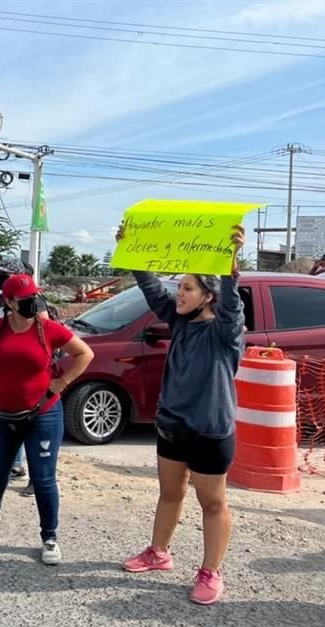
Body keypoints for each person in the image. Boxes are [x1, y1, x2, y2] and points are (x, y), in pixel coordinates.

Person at [120, 224, 246, 606]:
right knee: (170, 493)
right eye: (180, 287)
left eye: (188, 288)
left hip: (210, 429)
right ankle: (159, 552)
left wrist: (229, 264)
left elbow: (232, 305)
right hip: (172, 424)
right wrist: (132, 250)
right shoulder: (179, 321)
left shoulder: (225, 332)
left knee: (212, 503)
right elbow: (152, 290)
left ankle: (210, 571)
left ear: (209, 296)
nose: (179, 293)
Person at [0, 272, 94, 566]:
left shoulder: (49, 329)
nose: (33, 302)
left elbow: (85, 354)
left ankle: (50, 537)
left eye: (35, 297)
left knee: (43, 478)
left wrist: (62, 383)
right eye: (25, 299)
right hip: (2, 413)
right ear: (8, 301)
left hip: (43, 413)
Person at [0, 255, 51, 495]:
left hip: (29, 377)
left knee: (32, 428)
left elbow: (42, 336)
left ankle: (37, 478)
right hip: (4, 371)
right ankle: (16, 466)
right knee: (10, 423)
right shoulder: (2, 299)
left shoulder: (34, 302)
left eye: (4, 275)